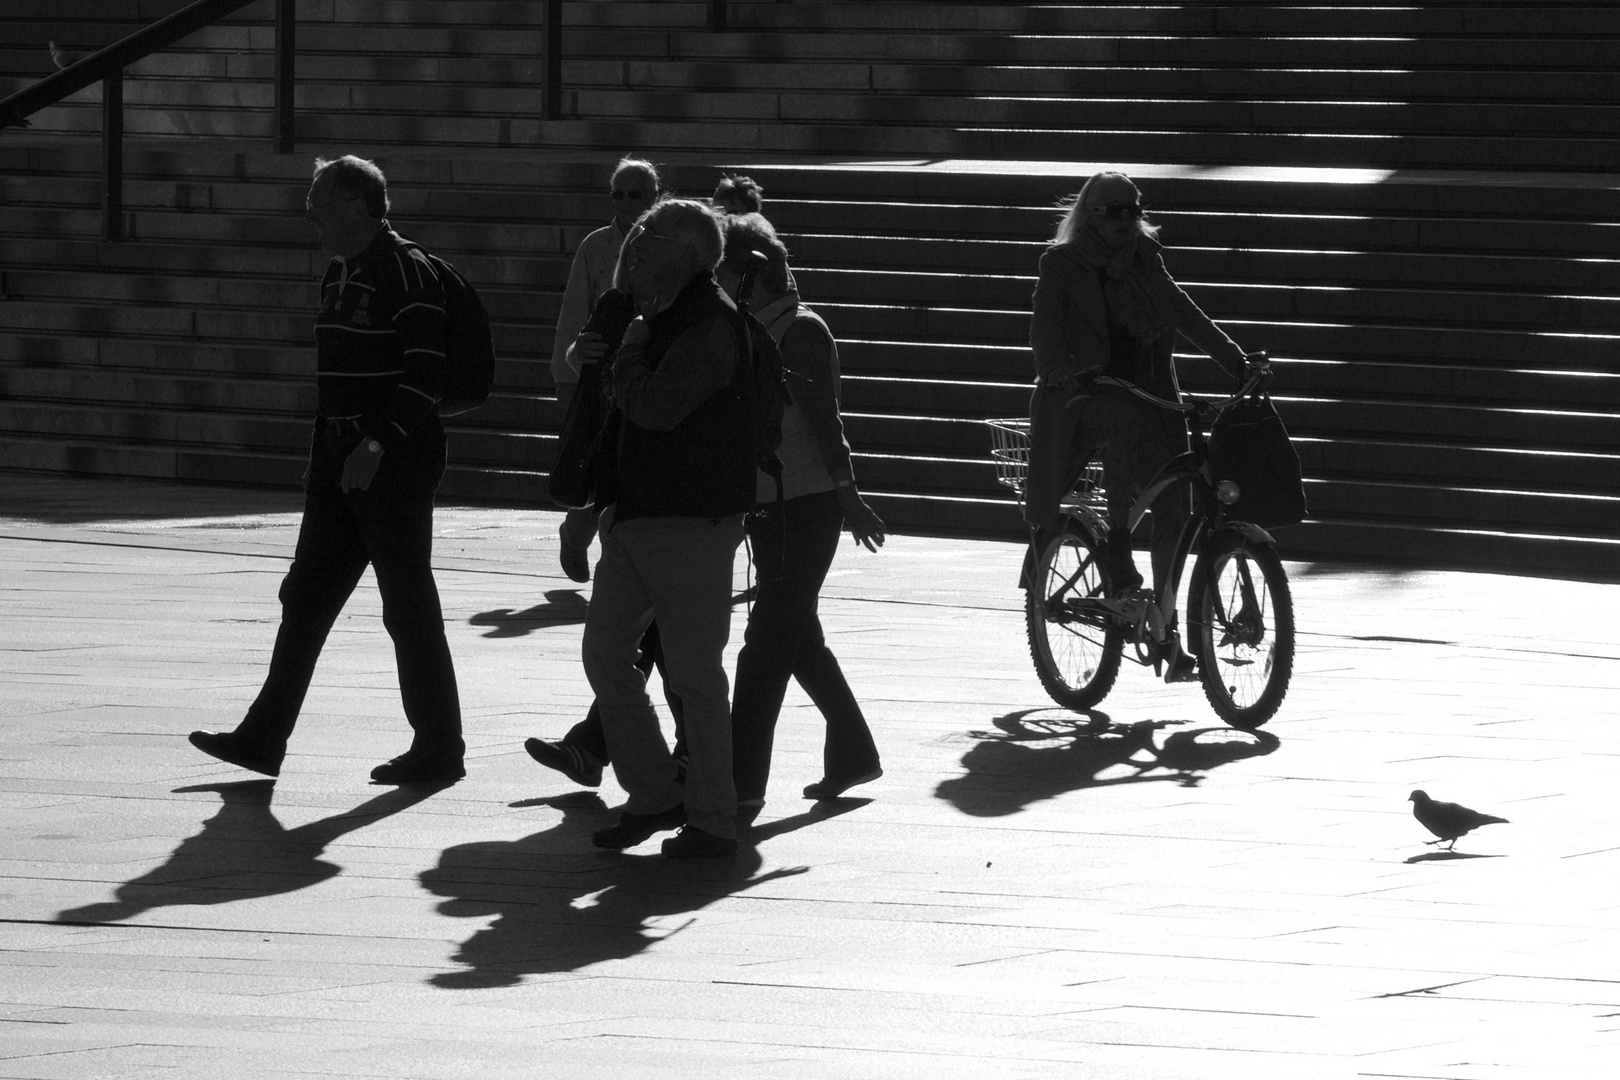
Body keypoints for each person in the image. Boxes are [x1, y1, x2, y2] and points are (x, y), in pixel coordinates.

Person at [189, 155, 464, 784]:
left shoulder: (406, 271)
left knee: (407, 605)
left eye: (319, 199)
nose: (308, 211)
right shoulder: (340, 270)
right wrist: (328, 460)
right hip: (340, 460)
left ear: (359, 207)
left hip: (391, 463)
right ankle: (263, 738)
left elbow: (428, 376)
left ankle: (440, 746)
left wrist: (376, 445)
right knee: (306, 598)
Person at [581, 197, 757, 859]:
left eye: (649, 234)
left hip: (691, 521)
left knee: (693, 674)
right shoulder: (655, 314)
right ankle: (655, 790)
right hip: (638, 514)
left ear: (685, 255)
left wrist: (624, 359)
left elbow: (655, 408)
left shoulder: (709, 323)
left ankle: (713, 817)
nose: (635, 241)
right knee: (605, 654)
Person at [1026, 171, 1259, 668]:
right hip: (1085, 399)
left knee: (1178, 502)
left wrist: (1240, 364)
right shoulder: (1062, 264)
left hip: (1152, 397)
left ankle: (1167, 627)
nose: (1128, 221)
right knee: (1120, 421)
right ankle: (1115, 548)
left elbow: (1187, 315)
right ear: (1089, 215)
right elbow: (1044, 334)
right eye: (1115, 211)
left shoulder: (1146, 262)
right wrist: (1057, 371)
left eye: (1134, 210)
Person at [718, 213, 886, 818]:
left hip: (805, 506)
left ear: (752, 276)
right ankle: (852, 753)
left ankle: (740, 785)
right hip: (773, 505)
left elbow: (824, 422)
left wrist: (848, 497)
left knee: (764, 644)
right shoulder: (756, 327)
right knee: (798, 637)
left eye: (724, 273)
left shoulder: (798, 332)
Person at [551, 156, 662, 583]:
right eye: (618, 194)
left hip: (648, 372)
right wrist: (569, 368)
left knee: (624, 470)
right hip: (600, 375)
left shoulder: (671, 240)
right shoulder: (595, 245)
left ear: (654, 196)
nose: (625, 202)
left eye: (635, 194)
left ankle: (617, 564)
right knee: (596, 465)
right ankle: (576, 535)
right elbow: (573, 311)